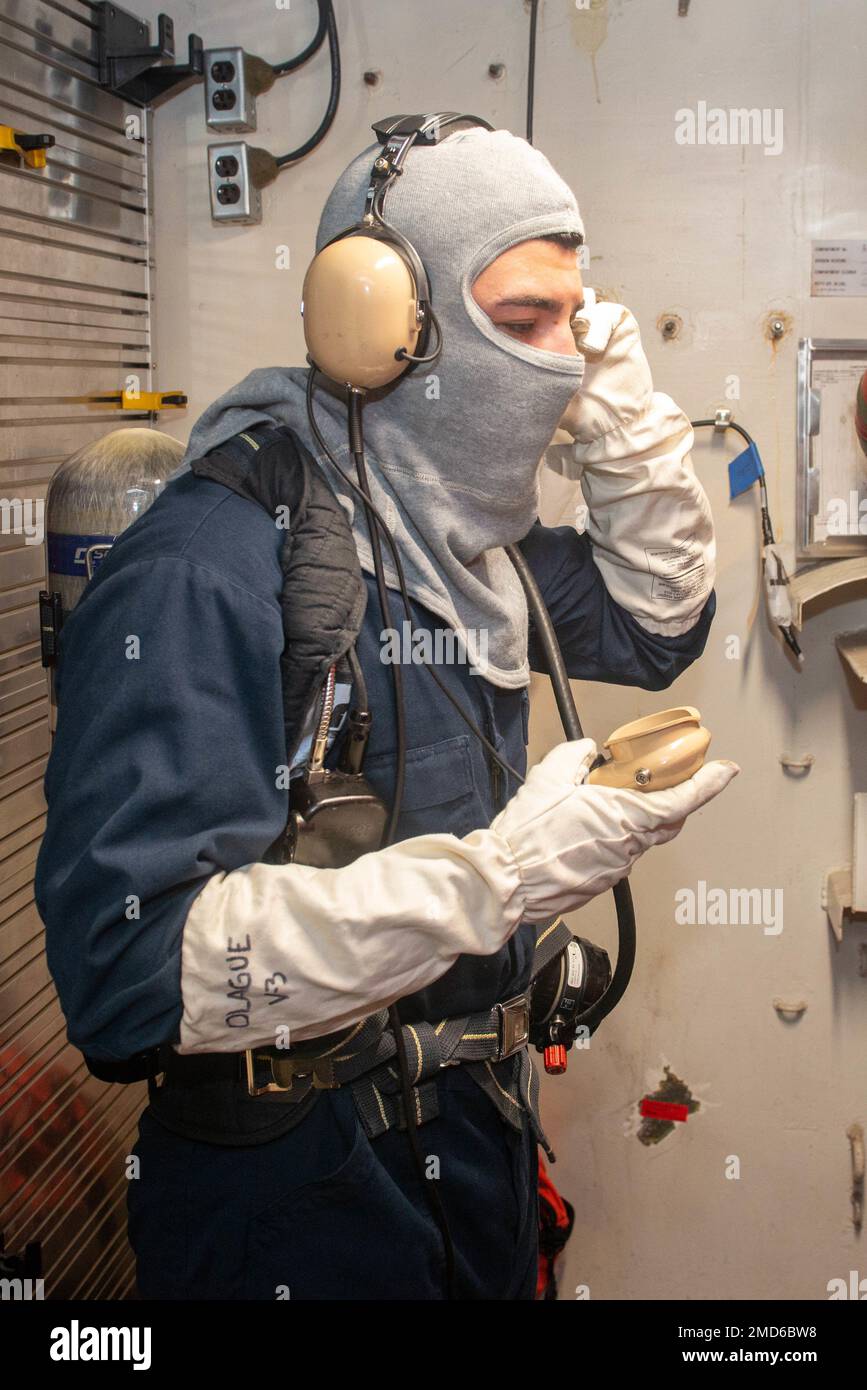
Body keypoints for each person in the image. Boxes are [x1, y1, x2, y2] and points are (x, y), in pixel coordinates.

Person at [34, 124, 737, 1301]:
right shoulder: (210, 562)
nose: (557, 362)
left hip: (474, 1146)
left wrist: (612, 390)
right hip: (293, 1200)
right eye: (522, 324)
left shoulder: (475, 553)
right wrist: (495, 881)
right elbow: (124, 979)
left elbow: (662, 617)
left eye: (576, 319)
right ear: (380, 327)